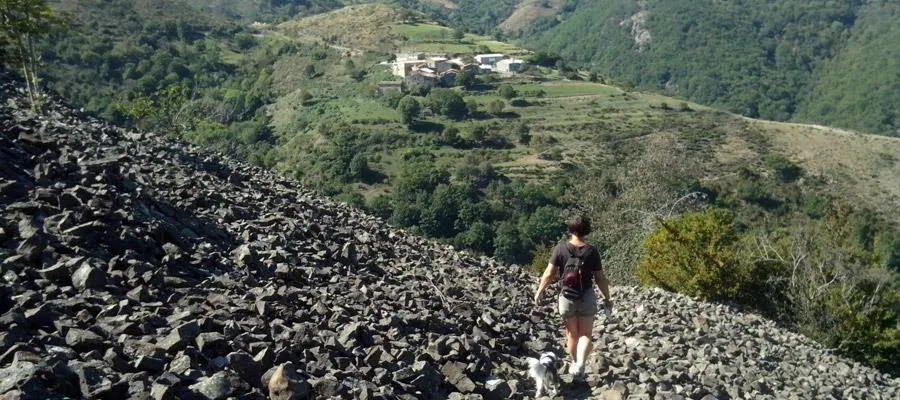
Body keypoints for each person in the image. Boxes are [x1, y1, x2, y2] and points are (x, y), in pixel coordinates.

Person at [533, 215, 612, 381]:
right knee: (585, 334)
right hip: (586, 296)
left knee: (571, 335)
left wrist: (540, 290)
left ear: (570, 230)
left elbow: (549, 273)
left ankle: (575, 364)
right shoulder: (592, 251)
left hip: (567, 297)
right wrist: (607, 297)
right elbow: (600, 278)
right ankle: (581, 365)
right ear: (586, 230)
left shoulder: (560, 249)